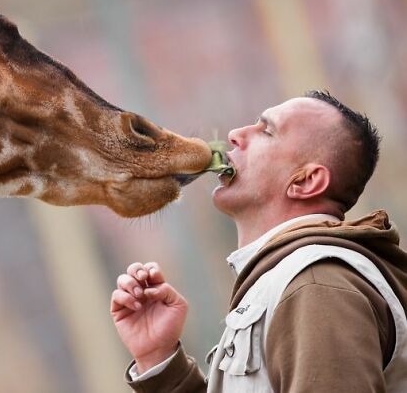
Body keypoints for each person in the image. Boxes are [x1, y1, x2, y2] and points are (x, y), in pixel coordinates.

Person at [111, 90, 407, 392]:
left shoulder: (317, 285)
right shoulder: (291, 283)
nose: (235, 134)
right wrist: (159, 359)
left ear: (305, 181)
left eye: (266, 131)